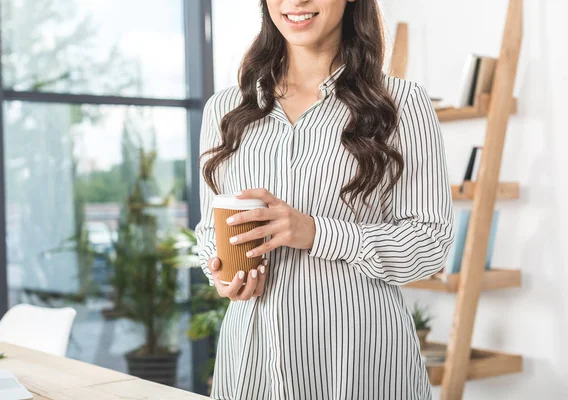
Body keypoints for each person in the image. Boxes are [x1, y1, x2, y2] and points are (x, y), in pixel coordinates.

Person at [195, 0, 454, 399]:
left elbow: (430, 244)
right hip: (253, 361)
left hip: (360, 360)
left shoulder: (401, 104)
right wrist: (223, 274)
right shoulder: (226, 110)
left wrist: (317, 232)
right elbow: (208, 230)